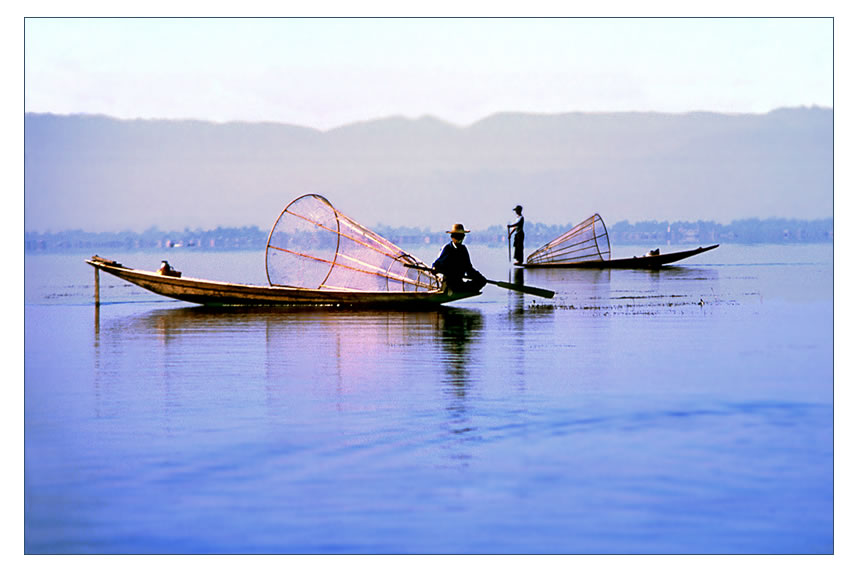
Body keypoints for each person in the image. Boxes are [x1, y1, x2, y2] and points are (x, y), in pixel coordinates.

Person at [432, 223, 487, 294]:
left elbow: (469, 268)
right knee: (453, 285)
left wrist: (480, 278)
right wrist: (435, 268)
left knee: (481, 281)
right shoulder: (447, 249)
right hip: (449, 282)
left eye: (461, 236)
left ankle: (459, 290)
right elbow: (437, 264)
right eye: (457, 236)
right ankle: (450, 291)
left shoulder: (463, 249)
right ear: (452, 237)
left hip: (459, 281)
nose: (459, 239)